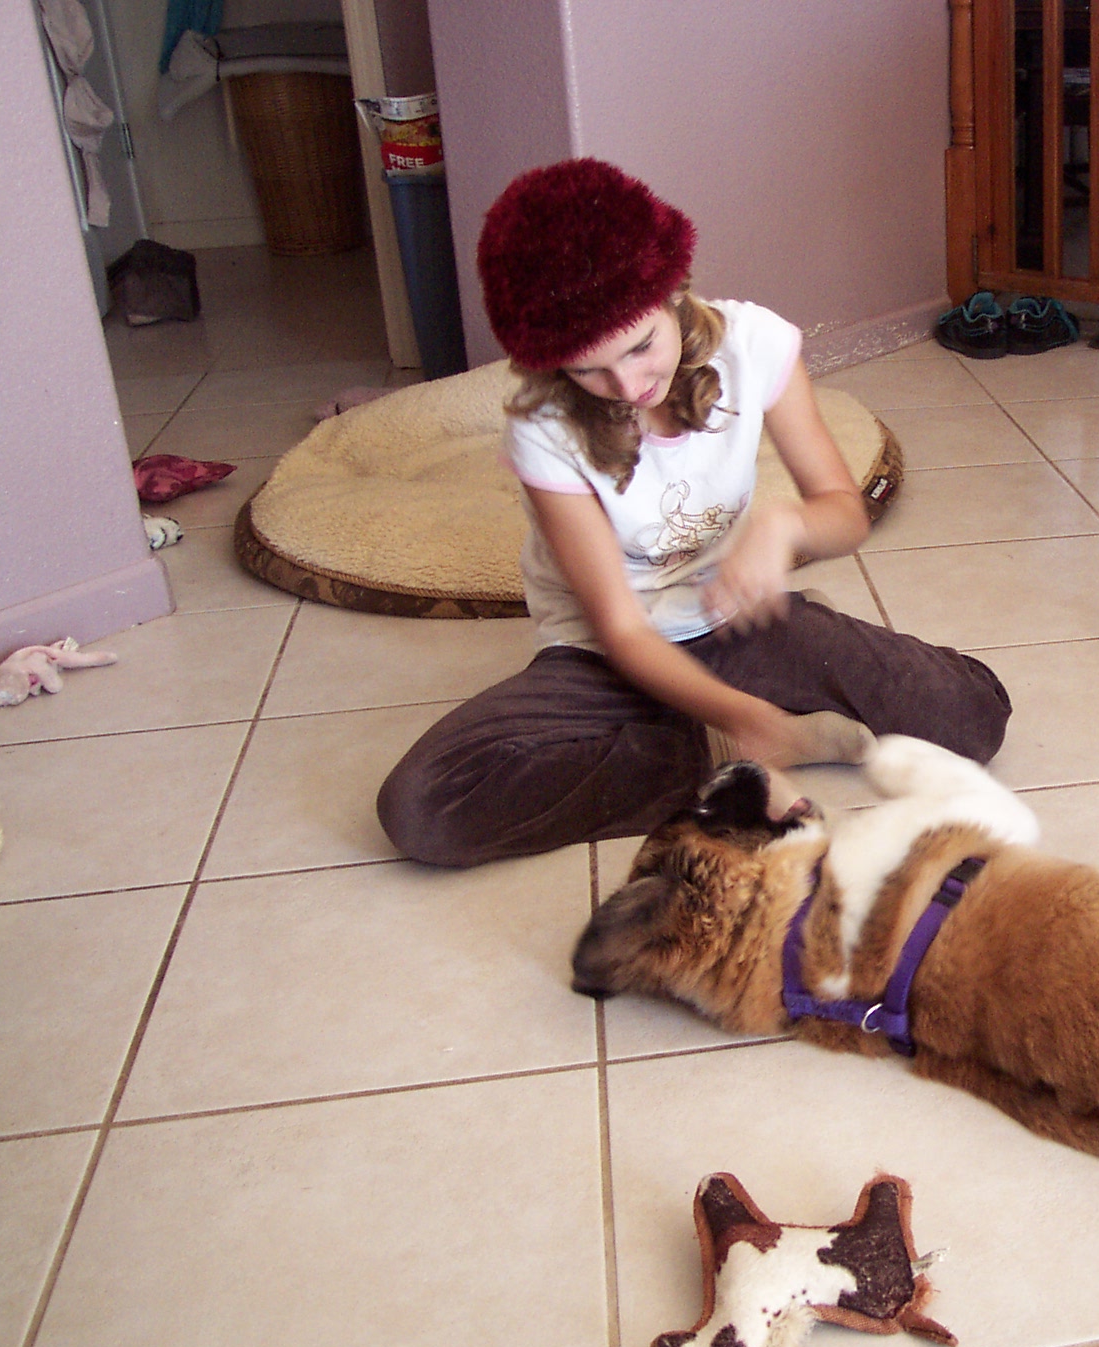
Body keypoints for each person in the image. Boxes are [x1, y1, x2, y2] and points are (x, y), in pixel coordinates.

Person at [376, 159, 1011, 867]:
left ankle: (724, 736)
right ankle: (721, 755)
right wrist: (745, 723)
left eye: (640, 346)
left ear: (674, 293)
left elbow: (845, 513)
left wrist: (785, 524)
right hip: (603, 653)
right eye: (587, 369)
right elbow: (620, 628)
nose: (627, 386)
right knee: (424, 807)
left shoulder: (754, 344)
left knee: (972, 715)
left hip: (737, 622)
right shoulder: (543, 425)